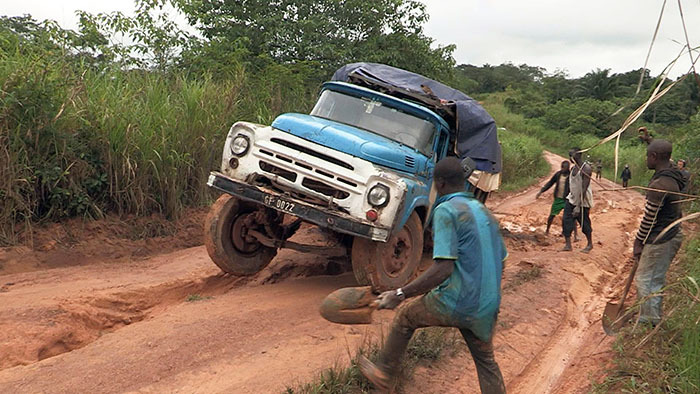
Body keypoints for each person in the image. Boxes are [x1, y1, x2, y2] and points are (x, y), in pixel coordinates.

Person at [359, 157, 507, 394]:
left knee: (405, 318)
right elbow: (501, 261)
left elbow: (443, 269)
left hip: (457, 301)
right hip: (487, 306)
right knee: (487, 363)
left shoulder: (447, 210)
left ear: (439, 182)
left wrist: (400, 293)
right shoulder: (485, 213)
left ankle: (385, 375)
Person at [633, 140, 686, 326]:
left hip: (661, 238)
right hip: (672, 233)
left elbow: (649, 219)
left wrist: (638, 242)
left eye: (648, 155)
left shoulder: (659, 185)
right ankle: (649, 319)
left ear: (654, 157)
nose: (646, 159)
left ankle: (649, 324)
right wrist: (649, 140)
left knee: (646, 280)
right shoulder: (673, 174)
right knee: (654, 278)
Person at [536, 161, 578, 240]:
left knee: (570, 217)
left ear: (568, 168)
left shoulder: (571, 176)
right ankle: (547, 230)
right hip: (558, 199)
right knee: (552, 215)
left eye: (564, 168)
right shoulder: (558, 175)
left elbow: (575, 187)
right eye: (562, 167)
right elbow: (550, 183)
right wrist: (541, 191)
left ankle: (575, 235)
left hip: (567, 199)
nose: (562, 169)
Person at [562, 148, 594, 253]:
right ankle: (568, 245)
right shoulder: (573, 169)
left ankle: (589, 244)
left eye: (572, 155)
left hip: (583, 201)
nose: (570, 157)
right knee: (566, 220)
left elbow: (584, 189)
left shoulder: (586, 169)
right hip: (571, 199)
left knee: (584, 223)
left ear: (579, 155)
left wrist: (578, 206)